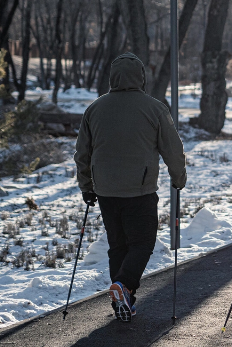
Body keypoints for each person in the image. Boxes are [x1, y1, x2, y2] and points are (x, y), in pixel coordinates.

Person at [74, 52, 187, 322]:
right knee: (143, 242)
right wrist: (178, 177)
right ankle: (124, 286)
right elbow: (173, 149)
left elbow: (82, 152)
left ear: (112, 77)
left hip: (105, 191)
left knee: (118, 246)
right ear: (142, 77)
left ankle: (124, 300)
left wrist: (86, 186)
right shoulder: (155, 108)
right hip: (140, 190)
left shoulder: (95, 109)